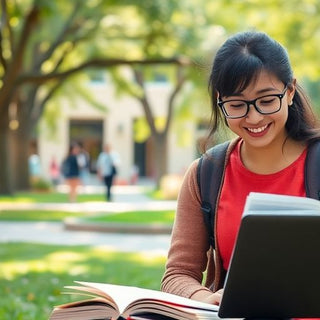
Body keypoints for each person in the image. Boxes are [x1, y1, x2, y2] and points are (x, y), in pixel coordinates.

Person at [161, 30, 320, 309]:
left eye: (267, 100)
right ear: (221, 102)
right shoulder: (205, 175)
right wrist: (204, 299)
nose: (254, 117)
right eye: (237, 105)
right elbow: (178, 274)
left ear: (290, 91)